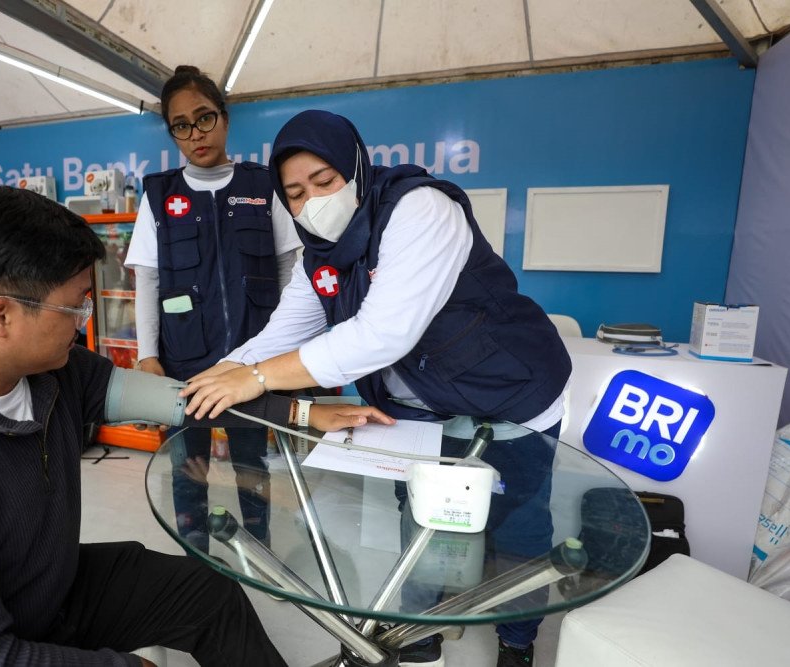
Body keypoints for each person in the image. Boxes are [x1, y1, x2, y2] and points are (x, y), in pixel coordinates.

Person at [0, 184, 390, 666]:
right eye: (75, 307)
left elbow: (182, 401)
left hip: (42, 591)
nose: (84, 320)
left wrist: (301, 412)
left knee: (207, 594)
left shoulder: (52, 373)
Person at [181, 110, 573, 667]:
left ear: (356, 168)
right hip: (420, 411)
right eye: (294, 194)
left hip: (509, 395)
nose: (312, 203)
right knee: (420, 519)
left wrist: (258, 378)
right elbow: (283, 333)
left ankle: (518, 640)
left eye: (324, 181)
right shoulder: (320, 254)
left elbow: (381, 336)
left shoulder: (420, 210)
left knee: (518, 529)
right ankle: (419, 629)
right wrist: (218, 374)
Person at [125, 66, 301, 551]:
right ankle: (195, 556)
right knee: (188, 466)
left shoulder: (263, 185)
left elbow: (290, 271)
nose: (195, 134)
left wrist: (286, 349)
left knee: (252, 466)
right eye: (181, 126)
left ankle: (259, 548)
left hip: (252, 362)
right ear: (172, 134)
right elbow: (148, 280)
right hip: (183, 363)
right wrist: (147, 356)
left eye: (204, 118)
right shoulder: (159, 196)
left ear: (224, 118)